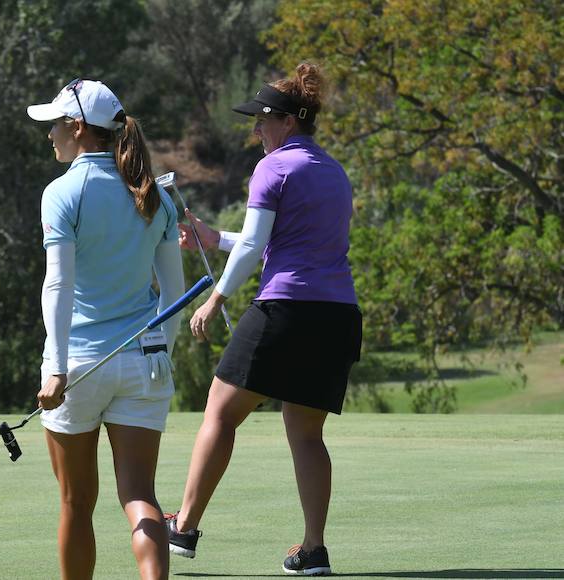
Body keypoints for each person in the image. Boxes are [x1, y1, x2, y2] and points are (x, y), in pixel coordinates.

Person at [164, 63, 362, 576]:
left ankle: (183, 526)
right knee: (305, 433)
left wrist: (217, 298)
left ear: (288, 122)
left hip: (286, 309)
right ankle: (313, 550)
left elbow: (257, 245)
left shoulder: (273, 168)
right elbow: (279, 242)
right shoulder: (333, 171)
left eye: (263, 121)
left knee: (221, 412)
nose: (256, 131)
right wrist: (216, 239)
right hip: (337, 316)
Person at [27, 78, 185, 580]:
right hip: (145, 364)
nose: (50, 134)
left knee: (77, 503)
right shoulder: (154, 195)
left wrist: (54, 367)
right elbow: (174, 299)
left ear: (77, 128)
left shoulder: (62, 193)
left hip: (78, 368)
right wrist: (162, 352)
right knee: (141, 497)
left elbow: (59, 284)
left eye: (55, 124)